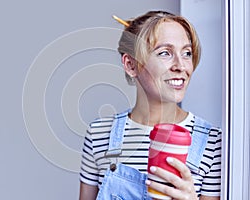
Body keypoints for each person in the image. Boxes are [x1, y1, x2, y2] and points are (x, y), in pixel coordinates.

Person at [79, 10, 222, 200]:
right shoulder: (99, 134)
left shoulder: (212, 142)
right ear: (131, 65)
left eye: (187, 53)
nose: (181, 65)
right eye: (165, 53)